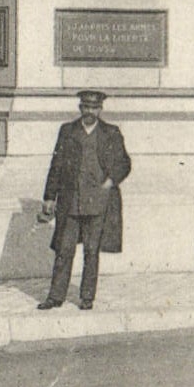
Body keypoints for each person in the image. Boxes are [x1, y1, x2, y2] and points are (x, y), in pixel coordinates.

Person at [37, 90, 131, 312]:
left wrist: (109, 182)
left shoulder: (111, 133)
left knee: (91, 251)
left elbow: (124, 163)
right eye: (85, 107)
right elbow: (56, 165)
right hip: (70, 201)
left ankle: (87, 297)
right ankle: (55, 296)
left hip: (98, 203)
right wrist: (49, 197)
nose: (90, 111)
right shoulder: (67, 131)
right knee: (64, 250)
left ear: (100, 109)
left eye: (94, 107)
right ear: (80, 108)